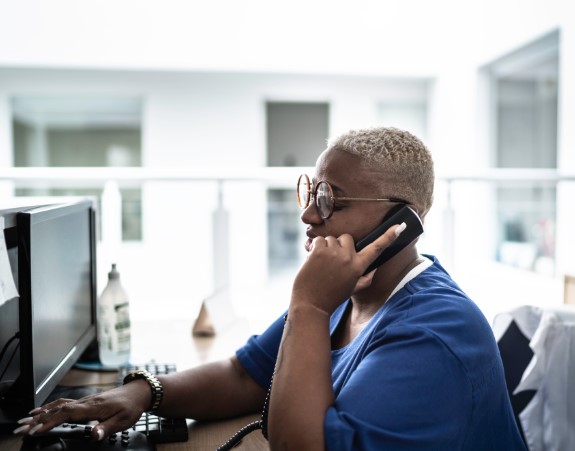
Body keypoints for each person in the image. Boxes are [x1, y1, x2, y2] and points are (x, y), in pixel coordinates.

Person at [15, 127, 526, 450]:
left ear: (402, 221)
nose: (308, 215)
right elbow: (247, 374)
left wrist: (306, 305)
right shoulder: (349, 292)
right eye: (312, 191)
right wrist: (143, 393)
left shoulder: (434, 334)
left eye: (332, 200)